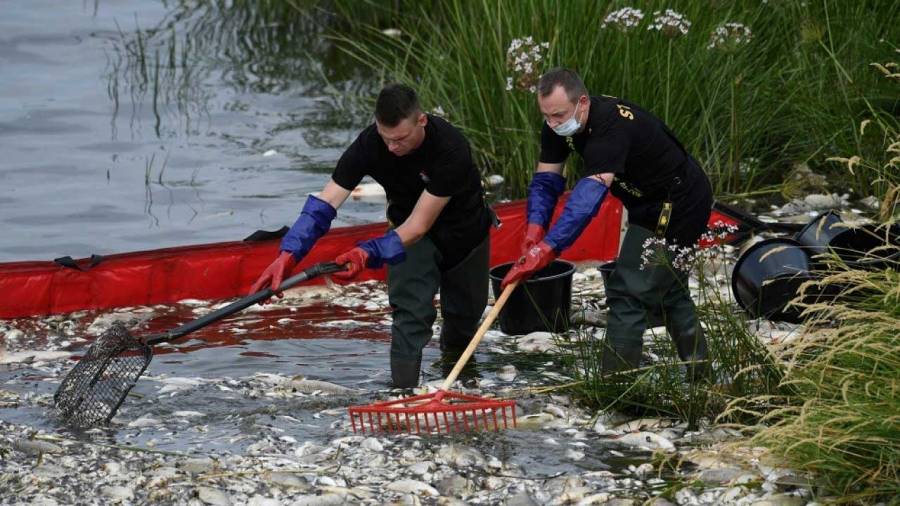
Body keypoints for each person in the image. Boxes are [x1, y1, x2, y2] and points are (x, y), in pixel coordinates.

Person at [250, 83, 493, 388]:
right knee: (409, 314)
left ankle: (460, 385)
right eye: (386, 138)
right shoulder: (370, 144)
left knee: (463, 319)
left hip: (463, 234)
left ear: (421, 121)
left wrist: (365, 252)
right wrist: (288, 255)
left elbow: (420, 224)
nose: (392, 148)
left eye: (400, 139)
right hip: (409, 236)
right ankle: (402, 395)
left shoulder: (451, 148)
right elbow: (325, 204)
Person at [501, 68, 712, 382]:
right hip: (643, 202)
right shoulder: (557, 125)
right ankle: (703, 377)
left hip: (679, 201)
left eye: (559, 115)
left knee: (628, 292)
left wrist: (549, 249)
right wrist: (534, 230)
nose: (553, 124)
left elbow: (586, 202)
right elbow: (546, 182)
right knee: (668, 290)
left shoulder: (610, 127)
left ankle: (616, 388)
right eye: (546, 116)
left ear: (582, 102)